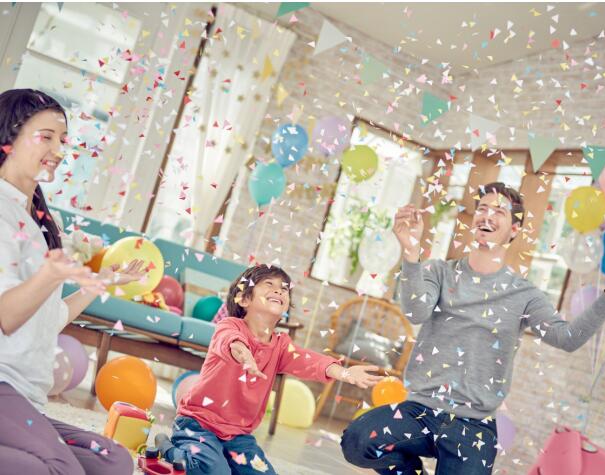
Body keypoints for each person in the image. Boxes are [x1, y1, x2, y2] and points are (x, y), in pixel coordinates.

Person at [340, 182, 605, 475]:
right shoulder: (440, 272)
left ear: (514, 229)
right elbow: (415, 311)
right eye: (482, 208)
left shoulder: (524, 295)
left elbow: (567, 338)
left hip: (474, 427)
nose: (487, 215)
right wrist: (411, 253)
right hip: (420, 412)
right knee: (356, 440)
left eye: (499, 211)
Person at [0, 89, 146, 473]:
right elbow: (6, 316)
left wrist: (99, 282)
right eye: (46, 137)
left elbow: (48, 319)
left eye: (62, 140)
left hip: (26, 396)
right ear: (8, 138)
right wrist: (51, 273)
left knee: (113, 462)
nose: (58, 151)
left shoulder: (45, 222)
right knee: (62, 469)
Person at [155, 263, 384, 475]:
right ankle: (169, 448)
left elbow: (310, 361)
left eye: (284, 289)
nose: (279, 290)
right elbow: (230, 342)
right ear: (244, 299)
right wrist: (244, 354)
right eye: (269, 284)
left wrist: (344, 372)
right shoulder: (229, 326)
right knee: (212, 470)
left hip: (238, 436)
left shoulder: (281, 345)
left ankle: (222, 459)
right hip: (199, 424)